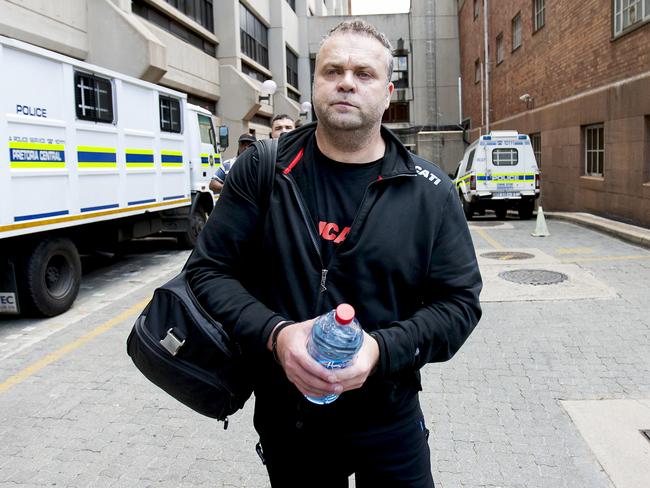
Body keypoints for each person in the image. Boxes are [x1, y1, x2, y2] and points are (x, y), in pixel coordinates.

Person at [187, 19, 482, 488]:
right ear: (314, 88)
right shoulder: (263, 169)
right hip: (290, 419)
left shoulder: (431, 192)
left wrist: (380, 350)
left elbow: (459, 304)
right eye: (332, 71)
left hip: (389, 414)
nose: (346, 81)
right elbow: (207, 273)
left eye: (363, 74)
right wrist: (276, 334)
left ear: (387, 94)